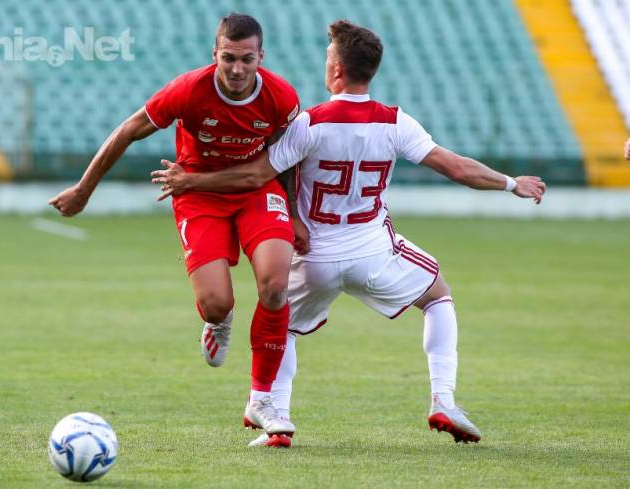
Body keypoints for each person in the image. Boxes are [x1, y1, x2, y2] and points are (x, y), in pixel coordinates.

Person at [151, 20, 547, 447]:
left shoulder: (310, 123)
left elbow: (257, 174)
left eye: (328, 57)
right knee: (438, 298)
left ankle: (275, 415)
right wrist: (511, 183)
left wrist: (198, 183)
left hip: (313, 255)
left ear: (337, 69)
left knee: (279, 325)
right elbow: (457, 168)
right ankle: (443, 399)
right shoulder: (395, 123)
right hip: (373, 253)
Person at [49, 13, 300, 445]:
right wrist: (84, 190)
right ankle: (218, 322)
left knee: (276, 286)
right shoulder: (188, 90)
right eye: (228, 58)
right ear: (214, 54)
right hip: (197, 196)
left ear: (261, 57)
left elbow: (289, 156)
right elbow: (129, 130)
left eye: (246, 59)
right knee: (216, 303)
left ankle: (262, 400)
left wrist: (293, 213)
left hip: (255, 191)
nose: (237, 69)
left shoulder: (281, 97)